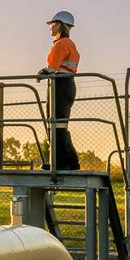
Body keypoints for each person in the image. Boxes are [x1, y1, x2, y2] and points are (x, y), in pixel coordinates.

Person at [39, 11, 81, 170]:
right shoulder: (68, 44)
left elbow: (52, 67)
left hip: (60, 84)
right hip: (65, 83)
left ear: (59, 25)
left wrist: (44, 72)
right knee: (58, 124)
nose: (50, 27)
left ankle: (63, 162)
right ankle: (66, 161)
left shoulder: (62, 44)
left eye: (52, 24)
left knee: (56, 124)